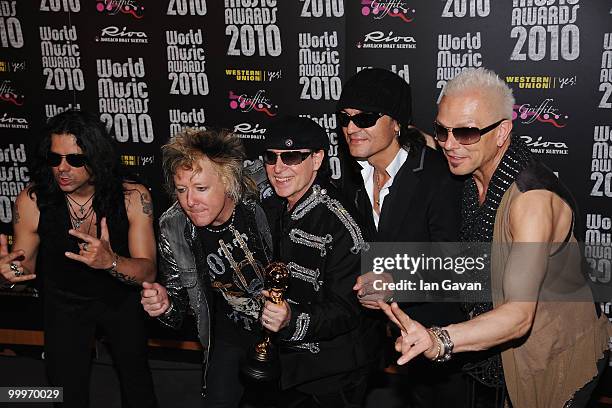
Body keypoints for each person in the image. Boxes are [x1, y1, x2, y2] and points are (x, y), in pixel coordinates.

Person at [379, 67, 612, 408]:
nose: (450, 145)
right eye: (443, 131)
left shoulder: (531, 203)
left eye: (466, 133)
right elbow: (424, 138)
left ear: (503, 132)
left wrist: (438, 339)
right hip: (501, 359)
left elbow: (518, 316)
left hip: (555, 356)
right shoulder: (467, 160)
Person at [0, 110, 158, 407]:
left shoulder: (132, 197)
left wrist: (110, 262)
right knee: (64, 389)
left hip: (120, 299)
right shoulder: (32, 200)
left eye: (74, 160)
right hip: (64, 301)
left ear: (97, 159)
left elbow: (148, 272)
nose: (61, 168)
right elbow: (24, 271)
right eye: (54, 158)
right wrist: (8, 274)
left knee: (138, 385)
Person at [336, 67, 468, 407]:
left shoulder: (438, 176)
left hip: (442, 340)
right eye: (346, 118)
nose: (352, 128)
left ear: (396, 123)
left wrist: (394, 283)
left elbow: (458, 265)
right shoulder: (356, 177)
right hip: (384, 339)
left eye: (365, 118)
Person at [140, 128, 273, 408]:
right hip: (227, 332)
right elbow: (176, 307)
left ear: (227, 184)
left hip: (282, 330)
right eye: (181, 190)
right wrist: (164, 305)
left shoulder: (264, 199)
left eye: (201, 188)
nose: (189, 201)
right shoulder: (173, 225)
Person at [261, 115, 380, 408]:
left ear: (316, 159)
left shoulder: (342, 223)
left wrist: (291, 320)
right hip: (287, 365)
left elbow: (348, 309)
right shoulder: (270, 206)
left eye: (291, 157)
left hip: (333, 372)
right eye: (271, 157)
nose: (278, 168)